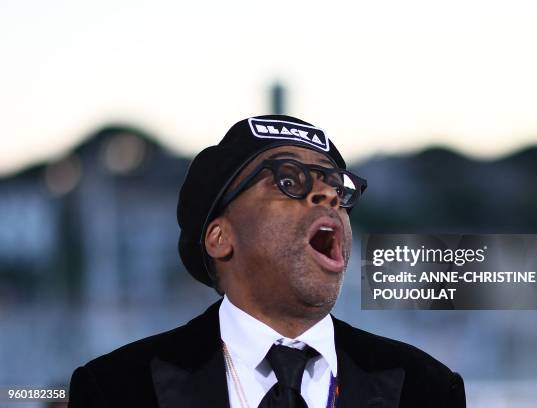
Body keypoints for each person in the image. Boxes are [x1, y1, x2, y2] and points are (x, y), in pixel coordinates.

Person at [68, 115, 466, 407]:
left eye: (335, 187)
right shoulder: (115, 390)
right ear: (220, 238)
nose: (328, 196)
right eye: (288, 181)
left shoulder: (427, 389)